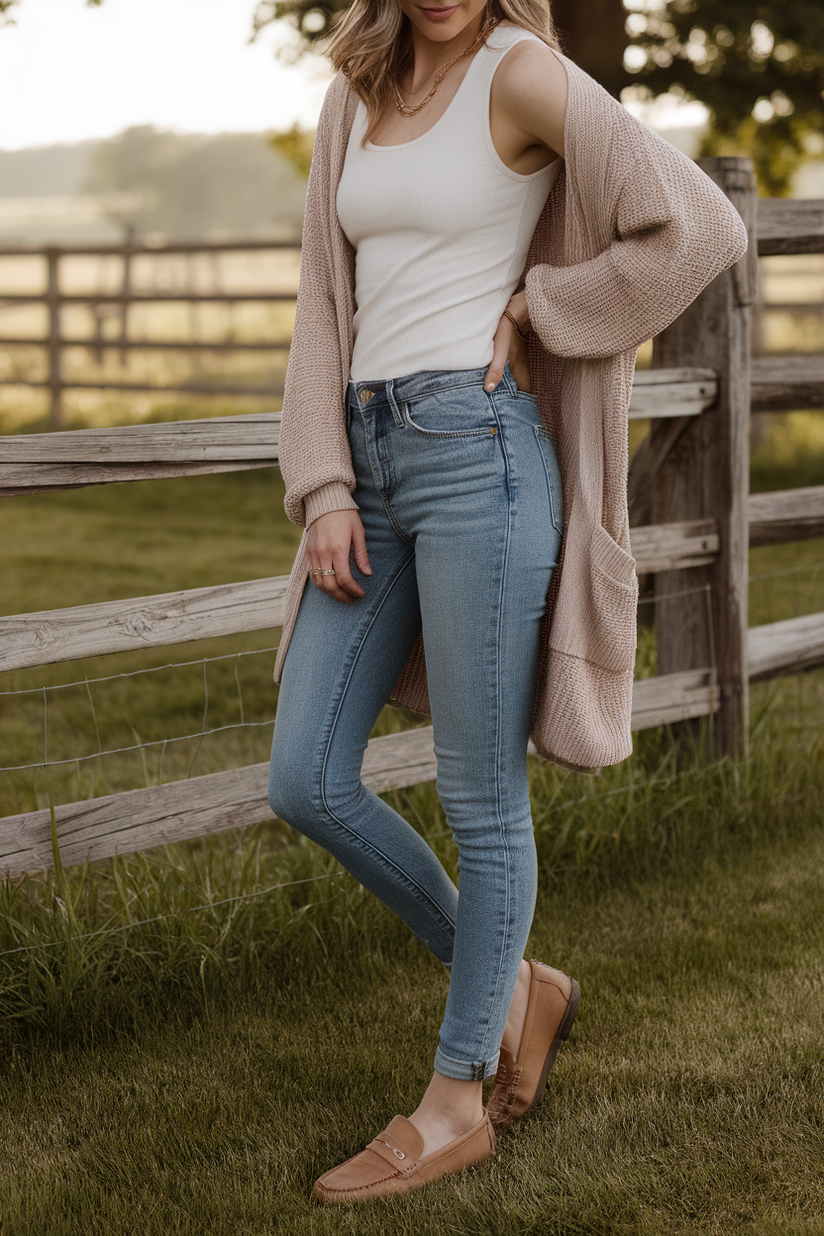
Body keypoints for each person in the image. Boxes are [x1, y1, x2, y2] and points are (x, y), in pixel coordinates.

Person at [267, 0, 748, 1206]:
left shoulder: (522, 74)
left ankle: (452, 1102)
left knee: (482, 797)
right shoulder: (356, 89)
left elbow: (697, 226)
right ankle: (519, 986)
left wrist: (543, 308)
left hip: (476, 451)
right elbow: (323, 298)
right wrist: (322, 479)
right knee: (306, 779)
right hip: (368, 469)